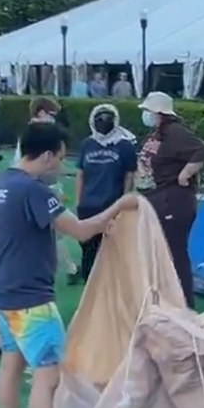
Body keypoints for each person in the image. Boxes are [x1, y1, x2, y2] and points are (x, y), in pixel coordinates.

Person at [0, 122, 118, 408]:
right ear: (46, 155)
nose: (62, 165)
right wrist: (120, 207)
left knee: (10, 369)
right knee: (46, 380)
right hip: (31, 302)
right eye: (60, 158)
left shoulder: (1, 185)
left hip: (5, 295)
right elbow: (78, 231)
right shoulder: (33, 190)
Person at [104, 91, 204, 308]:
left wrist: (185, 175)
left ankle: (184, 304)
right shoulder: (158, 134)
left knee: (175, 254)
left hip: (172, 200)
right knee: (161, 253)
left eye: (148, 111)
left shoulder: (176, 132)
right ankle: (165, 301)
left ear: (159, 113)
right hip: (156, 198)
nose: (145, 114)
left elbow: (202, 151)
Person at [14, 97, 80, 285]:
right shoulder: (37, 135)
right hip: (41, 185)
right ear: (41, 112)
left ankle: (68, 268)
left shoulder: (33, 133)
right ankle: (69, 268)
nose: (54, 118)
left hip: (42, 184)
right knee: (54, 231)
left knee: (49, 232)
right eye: (51, 113)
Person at [75, 103, 137, 279]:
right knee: (88, 251)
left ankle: (111, 290)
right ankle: (89, 288)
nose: (103, 122)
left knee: (111, 250)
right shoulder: (87, 144)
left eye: (108, 119)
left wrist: (123, 201)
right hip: (88, 206)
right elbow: (80, 174)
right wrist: (79, 202)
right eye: (99, 119)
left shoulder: (124, 146)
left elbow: (129, 176)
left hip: (112, 206)